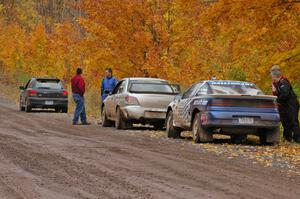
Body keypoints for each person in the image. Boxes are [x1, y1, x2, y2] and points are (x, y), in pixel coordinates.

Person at [271, 65, 300, 143]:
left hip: (291, 104)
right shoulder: (277, 84)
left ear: (276, 76)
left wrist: (277, 100)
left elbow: (285, 94)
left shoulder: (284, 82)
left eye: (272, 77)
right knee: (285, 121)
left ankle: (297, 139)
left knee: (293, 121)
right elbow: (278, 95)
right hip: (284, 105)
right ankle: (287, 138)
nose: (272, 79)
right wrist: (274, 92)